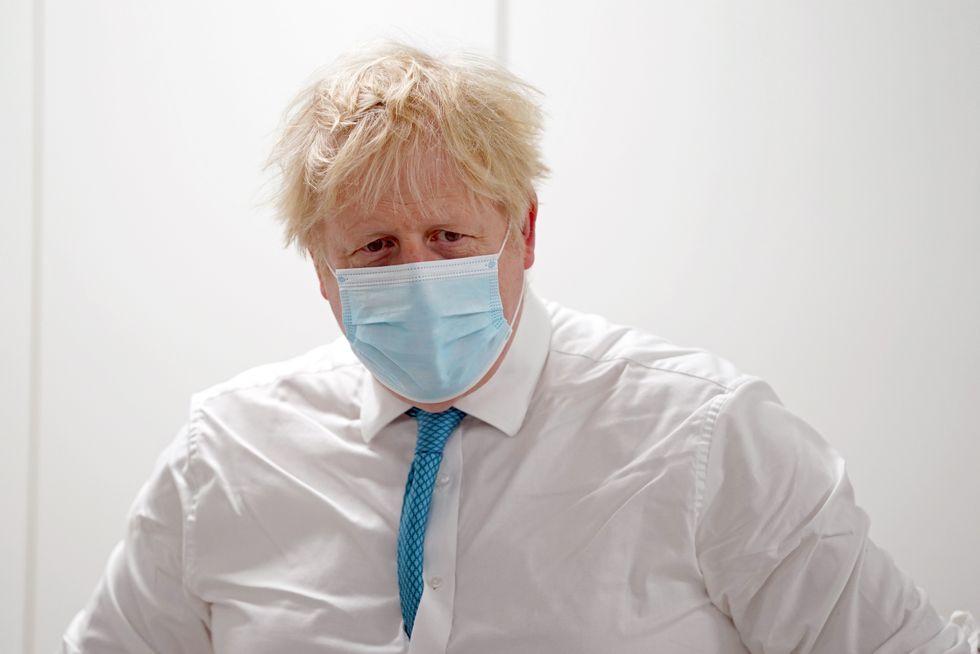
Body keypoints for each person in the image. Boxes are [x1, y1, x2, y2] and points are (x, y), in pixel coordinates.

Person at [62, 42, 977, 654]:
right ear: (321, 272)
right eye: (375, 248)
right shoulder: (221, 458)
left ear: (525, 232)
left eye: (450, 238)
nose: (416, 273)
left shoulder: (705, 438)